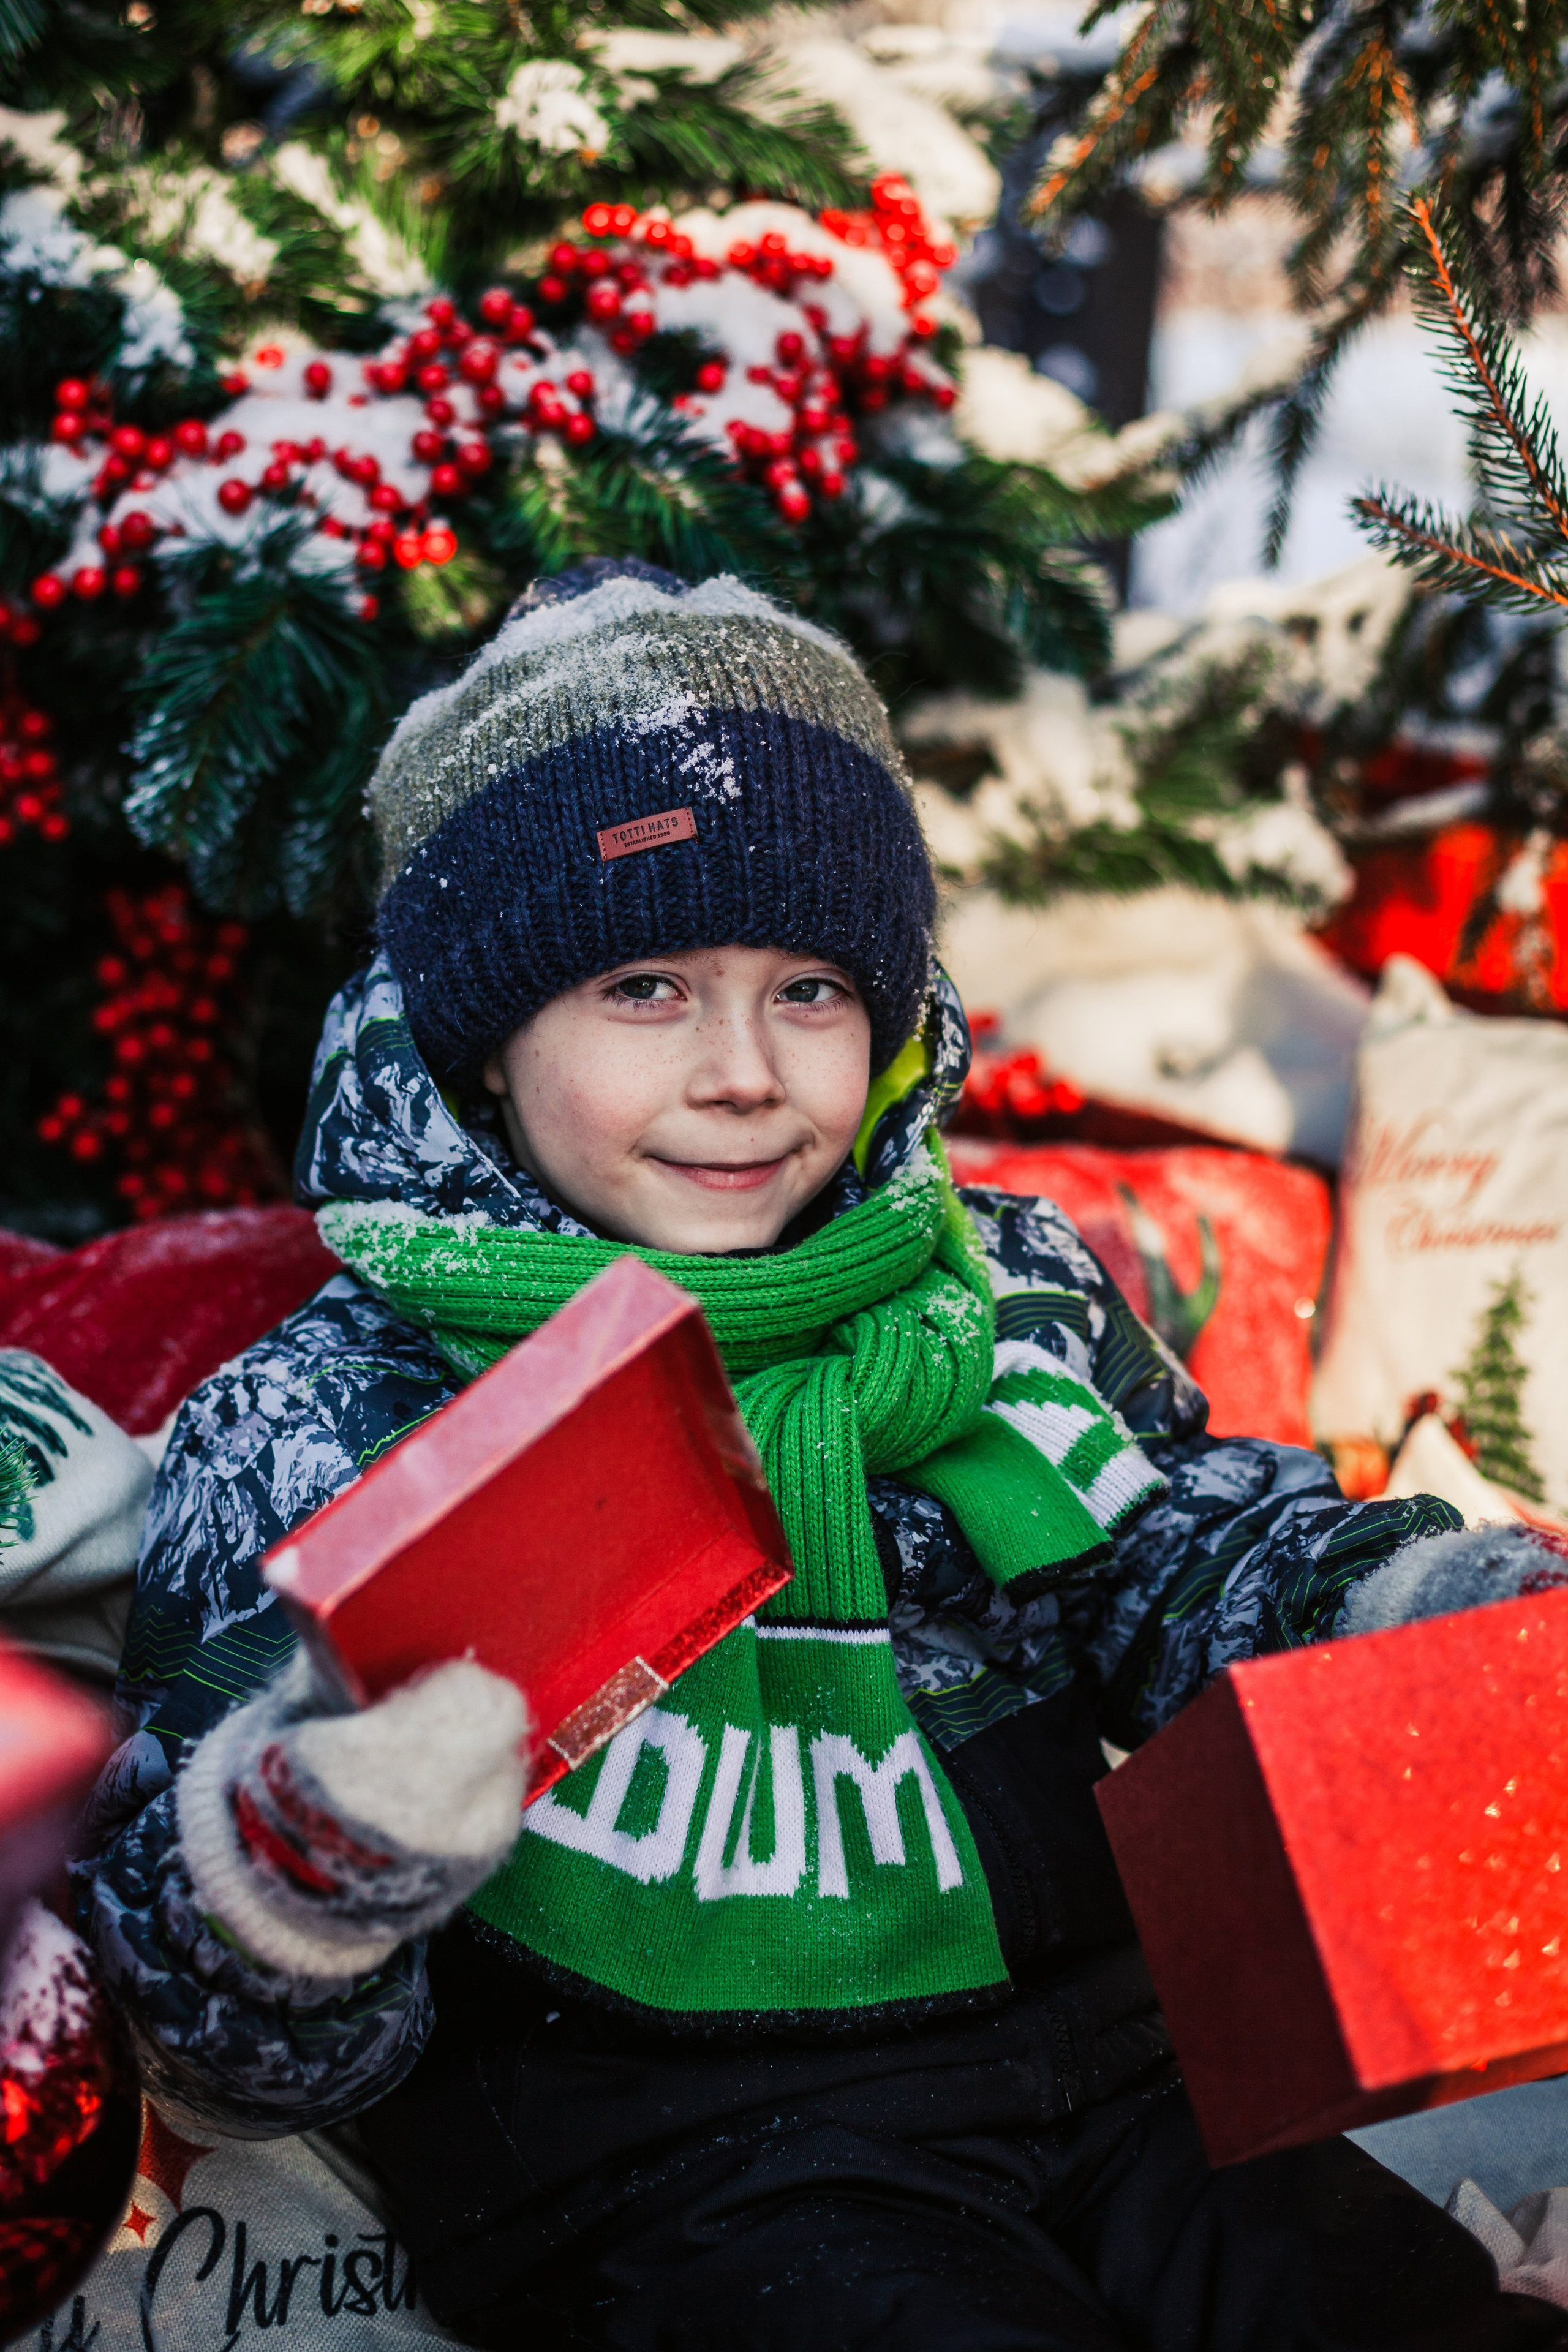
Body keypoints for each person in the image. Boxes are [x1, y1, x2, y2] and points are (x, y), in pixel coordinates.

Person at [74, 560, 1568, 2350]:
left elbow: (1170, 1547)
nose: (743, 1074)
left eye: (808, 991)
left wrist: (1401, 1596)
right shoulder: (327, 1418)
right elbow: (196, 2030)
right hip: (672, 2156)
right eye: (644, 987)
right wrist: (305, 1858)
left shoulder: (988, 1286)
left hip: (1114, 2068)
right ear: (485, 1049)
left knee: (1403, 2315)